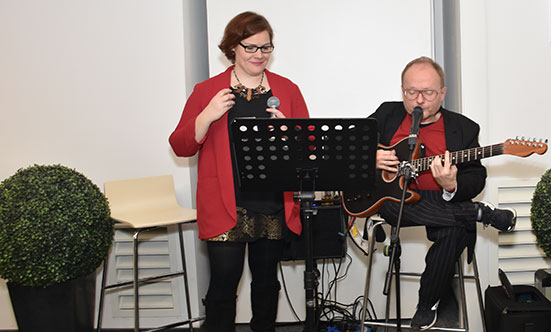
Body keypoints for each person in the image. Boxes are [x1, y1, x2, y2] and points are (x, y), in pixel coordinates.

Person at [169, 11, 309, 332]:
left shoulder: (288, 90)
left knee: (266, 286)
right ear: (232, 47)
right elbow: (180, 146)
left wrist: (289, 132)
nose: (259, 55)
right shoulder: (208, 91)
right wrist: (206, 116)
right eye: (251, 47)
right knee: (222, 288)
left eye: (266, 48)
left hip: (273, 202)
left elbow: (307, 150)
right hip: (225, 203)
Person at [369, 56, 516, 331]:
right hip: (390, 201)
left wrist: (451, 186)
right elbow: (352, 145)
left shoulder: (464, 128)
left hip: (441, 205)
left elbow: (475, 177)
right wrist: (371, 157)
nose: (419, 100)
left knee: (455, 230)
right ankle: (477, 212)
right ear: (402, 91)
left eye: (428, 92)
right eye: (411, 92)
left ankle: (426, 304)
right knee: (401, 206)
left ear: (442, 93)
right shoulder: (386, 114)